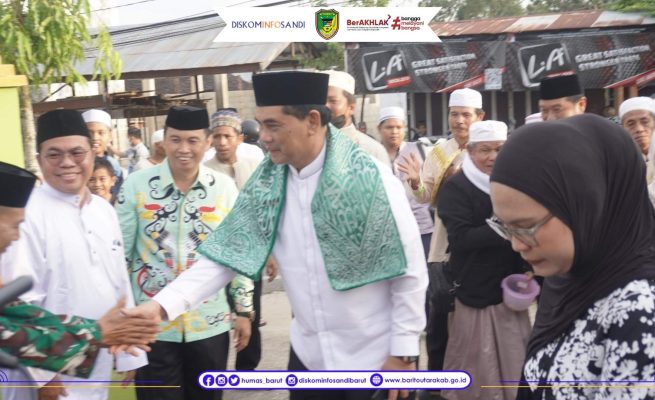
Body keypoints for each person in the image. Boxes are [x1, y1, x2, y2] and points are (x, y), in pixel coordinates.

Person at [124, 71, 427, 400]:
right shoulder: (267, 184)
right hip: (309, 359)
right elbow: (225, 257)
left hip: (374, 360)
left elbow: (410, 269)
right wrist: (160, 306)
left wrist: (404, 350)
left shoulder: (371, 180)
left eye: (273, 125)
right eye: (261, 124)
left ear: (312, 121)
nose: (263, 136)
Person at [489, 114, 655, 400]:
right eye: (504, 227)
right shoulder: (567, 279)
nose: (516, 244)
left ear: (587, 207)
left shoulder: (639, 312)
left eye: (526, 227)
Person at [1, 110, 148, 400]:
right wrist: (44, 377)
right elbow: (17, 304)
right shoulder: (24, 215)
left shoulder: (104, 210)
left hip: (99, 355)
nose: (67, 162)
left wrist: (130, 350)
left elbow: (119, 281)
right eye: (54, 154)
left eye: (76, 152)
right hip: (50, 365)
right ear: (40, 158)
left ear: (93, 153)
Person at [116, 106, 253, 400]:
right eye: (175, 140)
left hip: (209, 323)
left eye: (193, 140)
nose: (183, 149)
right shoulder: (136, 185)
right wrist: (123, 321)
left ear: (207, 142)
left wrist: (243, 310)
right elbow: (119, 258)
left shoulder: (224, 189)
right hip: (151, 327)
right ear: (164, 140)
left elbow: (237, 252)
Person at [397, 88, 485, 391]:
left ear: (479, 117)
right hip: (443, 246)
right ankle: (435, 386)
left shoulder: (488, 149)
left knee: (476, 319)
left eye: (466, 115)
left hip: (480, 246)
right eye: (454, 114)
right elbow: (425, 197)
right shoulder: (439, 152)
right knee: (438, 318)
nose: (459, 121)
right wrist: (415, 182)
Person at [437, 121, 530, 400]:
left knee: (515, 359)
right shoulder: (456, 187)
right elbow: (460, 238)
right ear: (470, 151)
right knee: (476, 364)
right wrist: (505, 224)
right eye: (485, 150)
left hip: (509, 290)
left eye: (499, 149)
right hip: (473, 289)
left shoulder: (514, 182)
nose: (492, 157)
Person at [204, 107, 272, 371]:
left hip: (250, 251)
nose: (222, 142)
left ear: (239, 138)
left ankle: (247, 367)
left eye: (227, 136)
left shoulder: (255, 166)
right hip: (217, 253)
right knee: (220, 311)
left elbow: (266, 209)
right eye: (217, 136)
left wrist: (271, 252)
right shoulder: (205, 171)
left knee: (251, 309)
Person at [378, 106, 433, 259]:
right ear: (379, 129)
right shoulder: (374, 154)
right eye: (389, 127)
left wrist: (416, 181)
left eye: (399, 127)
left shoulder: (419, 150)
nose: (394, 131)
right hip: (388, 231)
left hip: (421, 227)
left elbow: (430, 187)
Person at [323, 69, 391, 166]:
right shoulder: (307, 148)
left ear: (351, 107)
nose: (325, 106)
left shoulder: (371, 150)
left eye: (333, 101)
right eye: (320, 101)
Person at [82, 109, 124, 198]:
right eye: (90, 133)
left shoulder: (114, 165)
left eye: (101, 133)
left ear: (110, 135)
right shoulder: (76, 164)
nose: (95, 138)